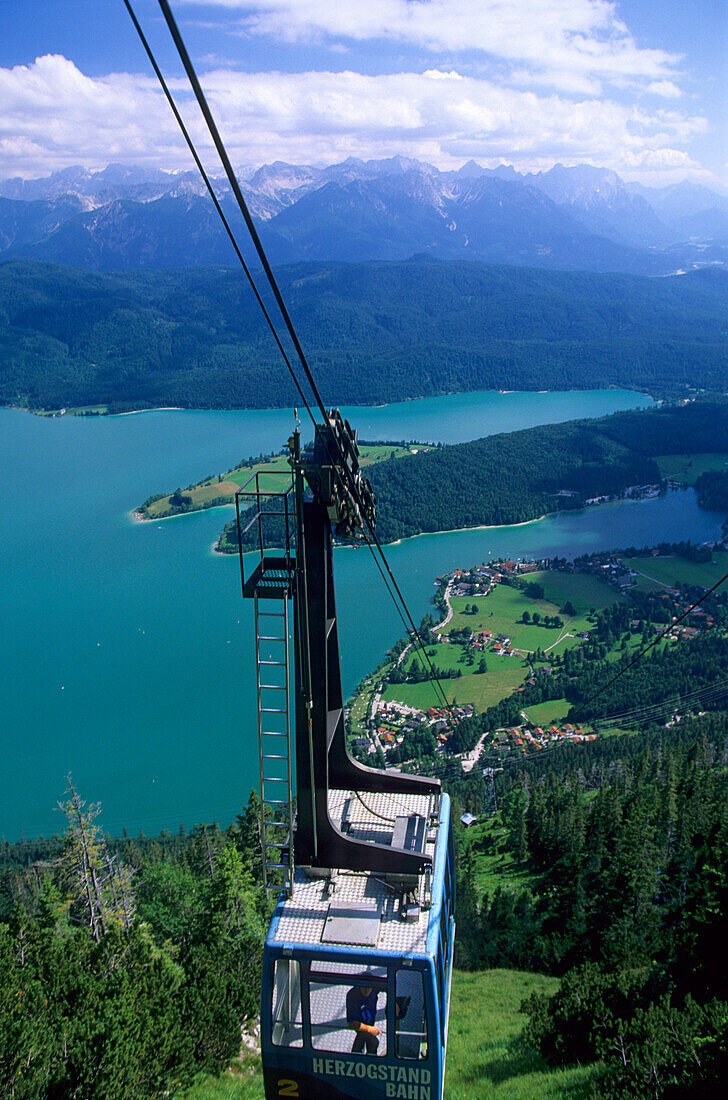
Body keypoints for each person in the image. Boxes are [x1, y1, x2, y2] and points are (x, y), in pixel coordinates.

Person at [346, 983, 381, 1054]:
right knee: (372, 1042)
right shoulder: (353, 995)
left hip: (370, 1019)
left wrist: (395, 1003)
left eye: (369, 988)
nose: (366, 990)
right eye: (364, 987)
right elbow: (351, 1023)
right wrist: (370, 1029)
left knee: (371, 1043)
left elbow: (389, 987)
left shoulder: (375, 988)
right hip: (359, 1022)